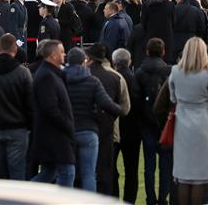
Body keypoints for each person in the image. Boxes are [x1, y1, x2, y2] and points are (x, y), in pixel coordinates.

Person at [169, 37, 208, 205]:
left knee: (184, 175)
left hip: (183, 122)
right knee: (200, 176)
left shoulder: (176, 71)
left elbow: (172, 97)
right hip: (202, 124)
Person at [63, 47, 123, 192]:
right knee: (89, 174)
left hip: (68, 131)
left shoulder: (62, 79)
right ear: (83, 61)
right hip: (88, 130)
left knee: (68, 173)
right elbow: (107, 104)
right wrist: (119, 110)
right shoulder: (92, 81)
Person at [0, 33, 33, 180]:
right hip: (18, 129)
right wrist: (30, 125)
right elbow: (30, 103)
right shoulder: (23, 73)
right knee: (17, 174)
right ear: (15, 50)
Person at [31, 40, 76, 187]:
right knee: (67, 172)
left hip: (53, 135)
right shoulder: (47, 76)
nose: (64, 55)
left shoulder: (52, 74)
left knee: (49, 173)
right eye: (62, 52)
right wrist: (67, 124)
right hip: (54, 135)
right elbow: (50, 108)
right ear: (53, 55)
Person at [133, 38, 172, 205]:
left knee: (149, 164)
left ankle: (151, 198)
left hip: (147, 122)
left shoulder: (140, 72)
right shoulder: (168, 71)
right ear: (163, 51)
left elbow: (135, 99)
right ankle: (163, 198)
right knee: (165, 165)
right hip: (164, 123)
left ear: (147, 51)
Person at [112, 48, 139, 204]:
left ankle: (113, 198)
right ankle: (129, 200)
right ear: (129, 62)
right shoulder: (134, 78)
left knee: (111, 168)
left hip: (115, 129)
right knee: (131, 170)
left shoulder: (112, 78)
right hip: (132, 130)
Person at [140, 0, 176, 64]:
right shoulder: (170, 4)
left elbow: (143, 23)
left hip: (151, 37)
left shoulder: (146, 5)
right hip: (167, 37)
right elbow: (174, 22)